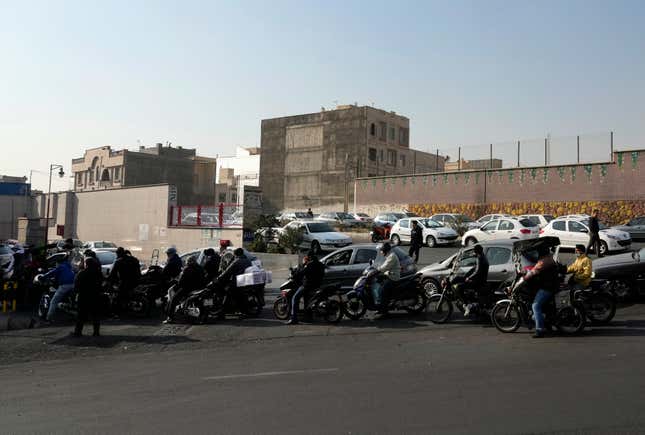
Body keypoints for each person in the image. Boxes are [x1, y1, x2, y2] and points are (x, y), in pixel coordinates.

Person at [523, 245, 559, 338]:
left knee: (535, 305)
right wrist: (524, 253)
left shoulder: (544, 261)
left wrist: (525, 277)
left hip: (547, 287)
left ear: (541, 252)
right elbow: (534, 260)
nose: (537, 253)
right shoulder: (547, 258)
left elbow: (534, 271)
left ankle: (539, 330)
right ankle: (545, 323)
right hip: (550, 285)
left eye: (538, 251)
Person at [287, 251, 325, 325]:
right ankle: (308, 317)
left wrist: (302, 266)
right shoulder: (320, 264)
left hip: (307, 285)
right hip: (317, 285)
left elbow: (301, 273)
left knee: (294, 298)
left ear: (309, 257)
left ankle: (293, 318)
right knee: (307, 300)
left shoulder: (309, 265)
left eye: (306, 257)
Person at [164, 257, 206, 323]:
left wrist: (177, 283)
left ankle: (170, 317)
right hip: (199, 288)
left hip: (188, 288)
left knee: (174, 299)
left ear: (189, 262)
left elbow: (181, 282)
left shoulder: (187, 269)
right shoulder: (200, 268)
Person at [213, 248, 252, 317]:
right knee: (240, 295)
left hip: (238, 281)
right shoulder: (248, 260)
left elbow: (227, 272)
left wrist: (218, 278)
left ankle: (222, 311)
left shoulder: (236, 261)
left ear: (235, 254)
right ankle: (240, 310)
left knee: (228, 292)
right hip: (246, 281)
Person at [41, 254, 76, 322]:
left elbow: (51, 273)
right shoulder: (69, 266)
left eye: (56, 264)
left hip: (65, 286)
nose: (56, 265)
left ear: (58, 263)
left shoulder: (60, 267)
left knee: (53, 301)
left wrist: (43, 277)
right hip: (74, 284)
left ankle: (49, 318)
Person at [73, 256, 103, 337]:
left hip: (83, 297)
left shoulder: (81, 273)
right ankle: (96, 332)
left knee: (81, 315)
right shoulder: (98, 273)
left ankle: (78, 332)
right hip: (95, 296)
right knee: (95, 315)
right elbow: (101, 285)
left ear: (86, 264)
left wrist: (76, 294)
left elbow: (76, 286)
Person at [108, 247, 142, 316]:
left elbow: (112, 273)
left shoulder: (119, 261)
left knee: (117, 297)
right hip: (136, 281)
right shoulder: (134, 259)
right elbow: (138, 271)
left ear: (118, 253)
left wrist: (108, 279)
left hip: (124, 282)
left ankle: (116, 312)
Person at [460, 244, 490, 317]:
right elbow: (474, 268)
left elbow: (477, 271)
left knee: (459, 287)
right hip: (481, 280)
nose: (473, 252)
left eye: (474, 251)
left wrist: (469, 277)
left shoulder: (479, 258)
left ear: (477, 251)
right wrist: (466, 275)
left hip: (478, 281)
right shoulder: (482, 257)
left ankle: (466, 305)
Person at [374, 242, 400, 316]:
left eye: (382, 250)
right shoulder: (388, 256)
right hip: (389, 275)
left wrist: (377, 270)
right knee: (379, 286)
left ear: (385, 250)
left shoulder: (392, 256)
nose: (381, 252)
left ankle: (384, 312)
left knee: (382, 291)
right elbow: (382, 264)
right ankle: (380, 308)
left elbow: (385, 267)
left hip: (393, 277)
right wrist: (375, 267)